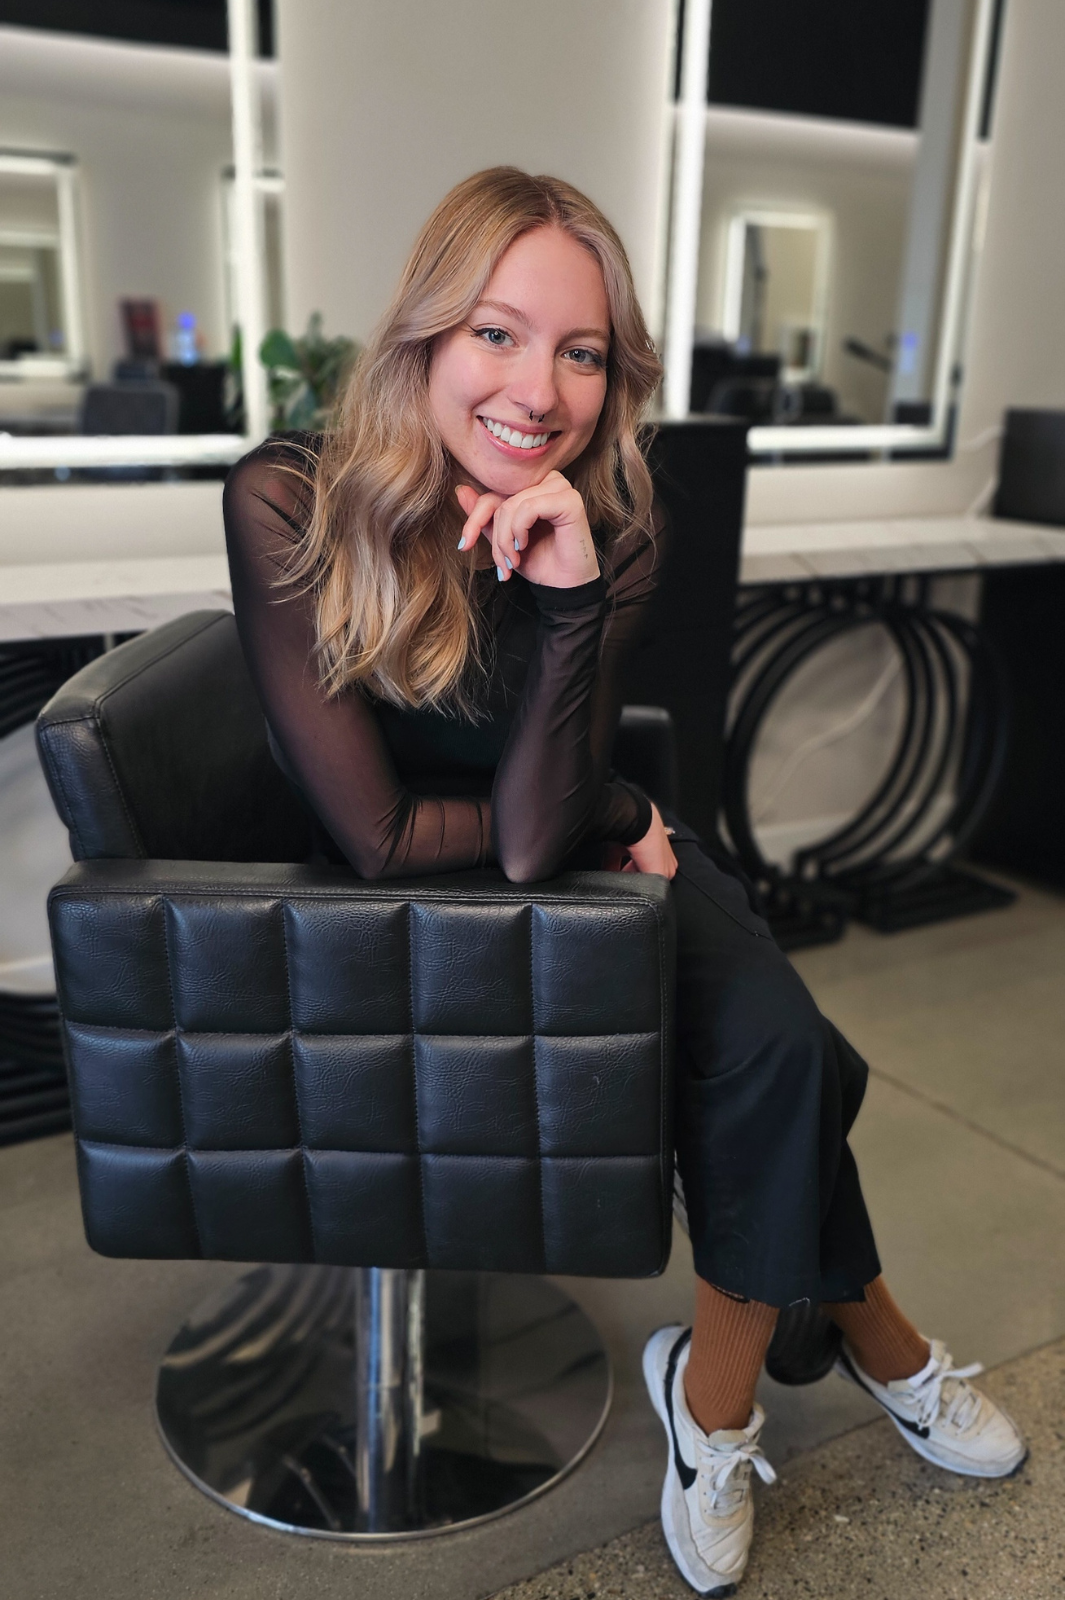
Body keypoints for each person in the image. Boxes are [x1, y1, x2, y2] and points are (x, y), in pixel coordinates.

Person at [223, 167, 1026, 1596]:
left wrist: (574, 594)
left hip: (580, 853)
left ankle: (706, 1407)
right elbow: (393, 837)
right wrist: (628, 802)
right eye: (498, 333)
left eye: (582, 352)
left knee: (786, 1048)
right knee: (794, 1069)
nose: (541, 388)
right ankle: (868, 1331)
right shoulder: (290, 499)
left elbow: (543, 825)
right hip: (419, 907)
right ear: (423, 335)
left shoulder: (611, 521)